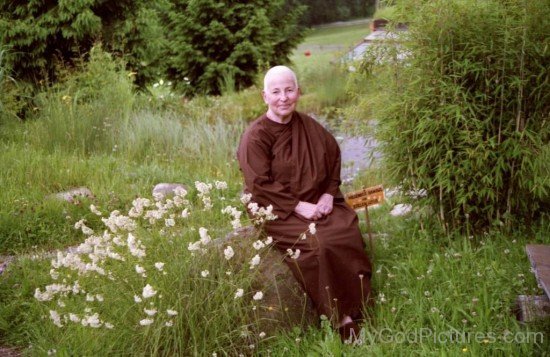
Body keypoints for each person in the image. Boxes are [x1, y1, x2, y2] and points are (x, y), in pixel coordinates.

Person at [236, 65, 372, 341]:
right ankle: (341, 319)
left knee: (345, 230)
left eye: (289, 90)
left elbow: (333, 157)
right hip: (275, 209)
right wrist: (298, 206)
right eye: (276, 92)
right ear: (265, 96)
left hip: (316, 200)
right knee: (317, 245)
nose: (283, 97)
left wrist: (326, 195)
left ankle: (359, 307)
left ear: (298, 91)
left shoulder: (309, 126)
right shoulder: (256, 136)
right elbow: (259, 184)